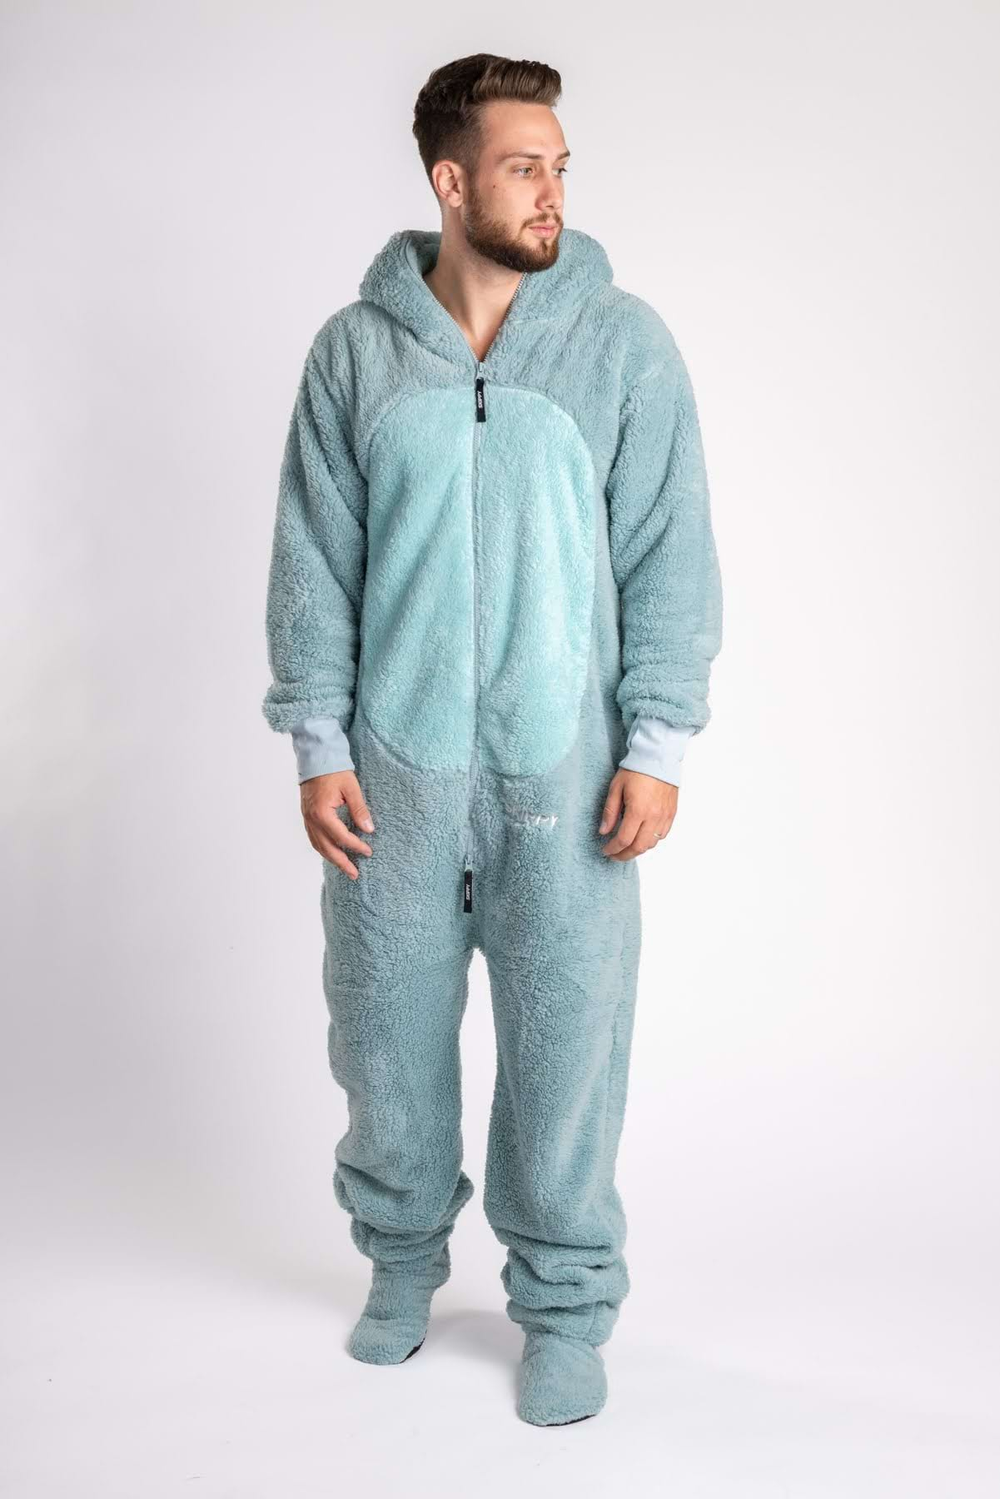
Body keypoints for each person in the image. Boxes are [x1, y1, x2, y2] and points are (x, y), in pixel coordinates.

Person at [260, 52, 723, 1427]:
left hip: (567, 785)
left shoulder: (622, 345)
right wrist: (317, 741)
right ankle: (401, 1264)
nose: (553, 191)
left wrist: (658, 743)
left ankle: (565, 1307)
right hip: (391, 787)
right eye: (526, 167)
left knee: (568, 1055)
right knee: (382, 1047)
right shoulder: (354, 354)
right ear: (451, 181)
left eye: (561, 166)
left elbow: (671, 551)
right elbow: (313, 560)